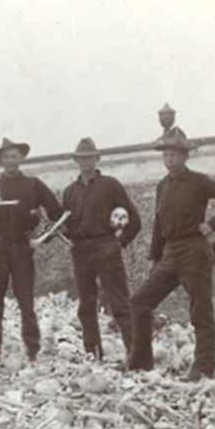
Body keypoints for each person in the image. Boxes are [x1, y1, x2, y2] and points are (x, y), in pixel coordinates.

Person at [127, 127, 215, 381]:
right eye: (166, 155)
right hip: (170, 253)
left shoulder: (200, 181)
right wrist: (153, 257)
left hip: (195, 251)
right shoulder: (162, 186)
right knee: (139, 302)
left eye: (175, 155)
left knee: (200, 311)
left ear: (185, 156)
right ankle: (140, 363)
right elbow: (159, 224)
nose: (170, 160)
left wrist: (212, 224)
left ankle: (203, 369)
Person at [0, 137, 63, 372]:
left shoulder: (33, 185)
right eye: (6, 157)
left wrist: (44, 235)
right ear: (1, 161)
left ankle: (33, 353)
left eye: (14, 156)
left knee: (26, 300)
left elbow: (56, 212)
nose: (10, 161)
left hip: (22, 246)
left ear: (21, 158)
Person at [60, 137, 142, 361]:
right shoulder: (69, 192)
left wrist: (117, 244)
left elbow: (134, 221)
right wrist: (58, 231)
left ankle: (136, 355)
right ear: (76, 161)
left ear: (97, 159)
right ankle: (92, 355)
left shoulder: (110, 185)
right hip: (81, 252)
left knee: (119, 303)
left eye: (89, 157)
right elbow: (65, 226)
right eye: (81, 158)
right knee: (86, 305)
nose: (85, 162)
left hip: (106, 247)